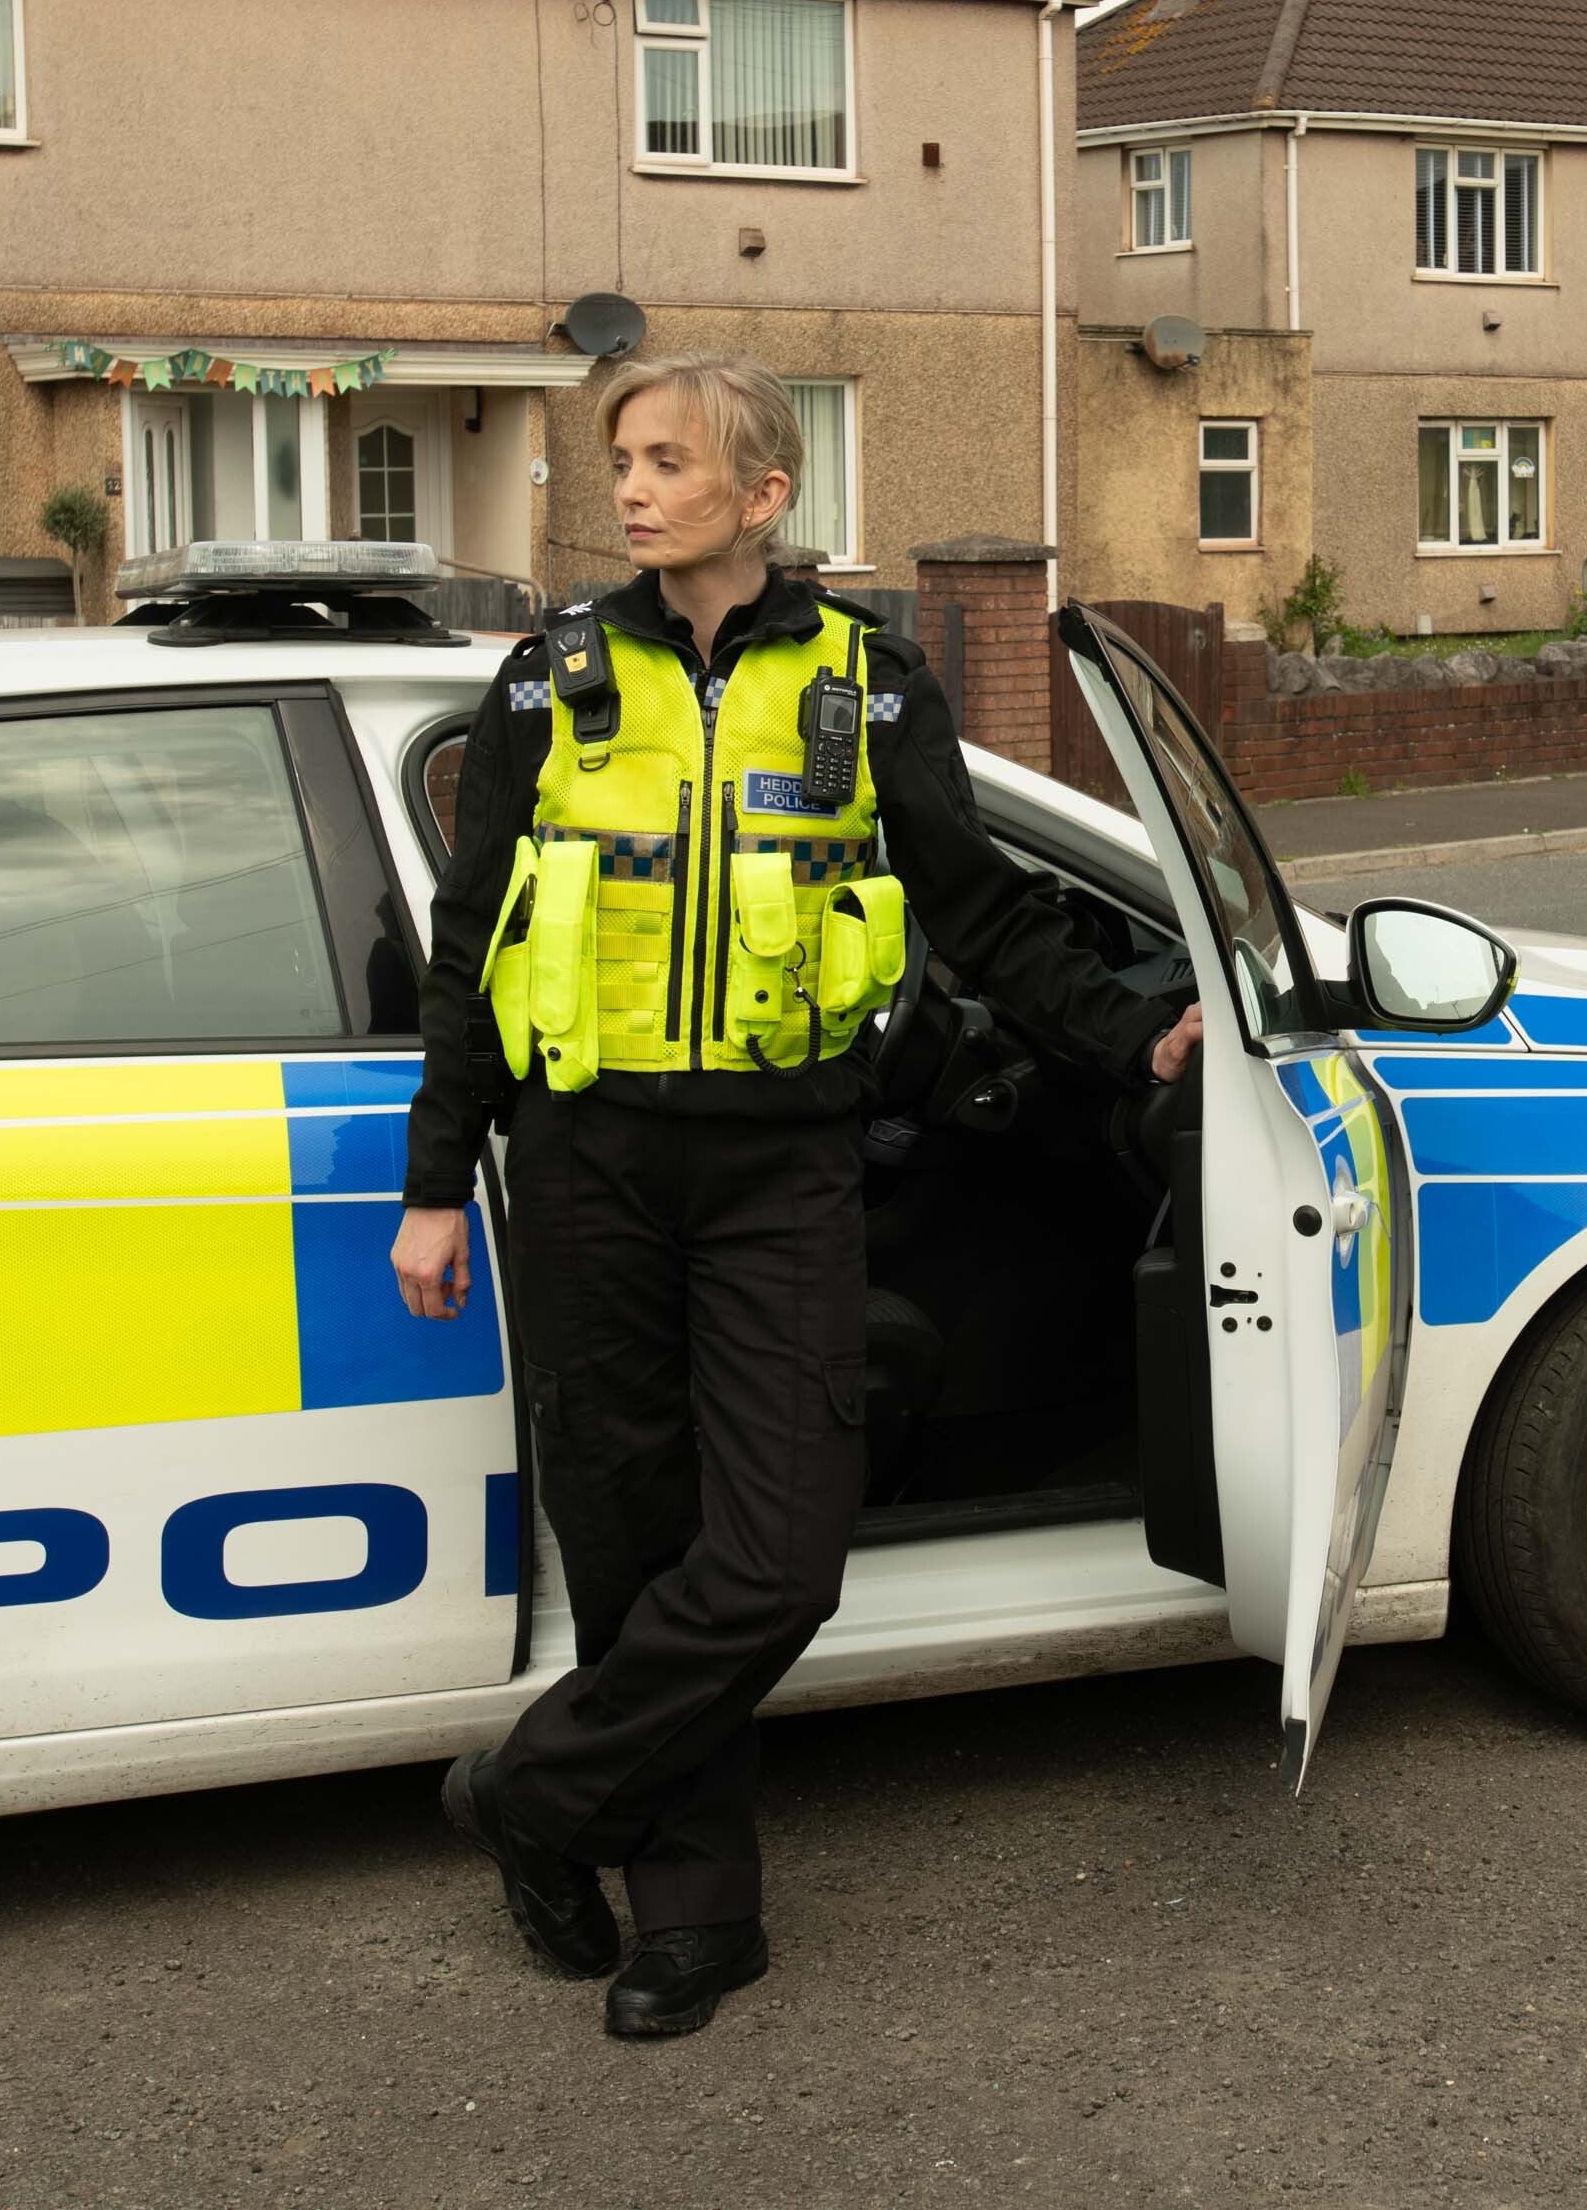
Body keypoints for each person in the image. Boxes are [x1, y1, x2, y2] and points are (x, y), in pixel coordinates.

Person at [389, 351, 1202, 2042]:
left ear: (760, 496)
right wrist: (434, 1183)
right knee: (632, 1548)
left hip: (779, 1167)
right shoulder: (546, 681)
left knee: (778, 1559)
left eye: (666, 458)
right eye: (619, 456)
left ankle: (533, 1796)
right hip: (586, 1162)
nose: (628, 485)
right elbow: (469, 948)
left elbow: (985, 914)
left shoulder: (871, 684)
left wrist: (1138, 1031)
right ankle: (695, 1918)